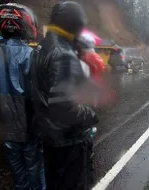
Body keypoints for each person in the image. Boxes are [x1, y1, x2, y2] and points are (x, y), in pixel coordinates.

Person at [30, 2, 99, 190]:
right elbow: (65, 110)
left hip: (48, 136)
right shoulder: (63, 54)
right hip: (69, 141)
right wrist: (91, 115)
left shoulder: (40, 48)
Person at [0, 3, 45, 190]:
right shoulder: (31, 55)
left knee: (17, 172)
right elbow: (39, 94)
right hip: (29, 128)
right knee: (34, 169)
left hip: (5, 126)